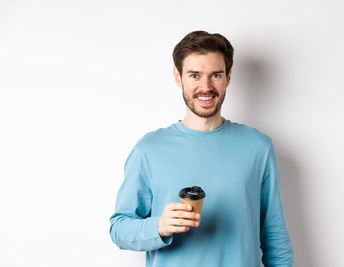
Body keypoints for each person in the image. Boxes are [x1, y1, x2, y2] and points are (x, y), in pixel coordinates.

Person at [109, 30, 294, 266]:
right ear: (178, 77)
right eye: (194, 75)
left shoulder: (258, 147)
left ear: (228, 78)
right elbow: (119, 228)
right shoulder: (149, 149)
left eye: (215, 75)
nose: (205, 86)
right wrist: (159, 226)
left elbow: (276, 239)